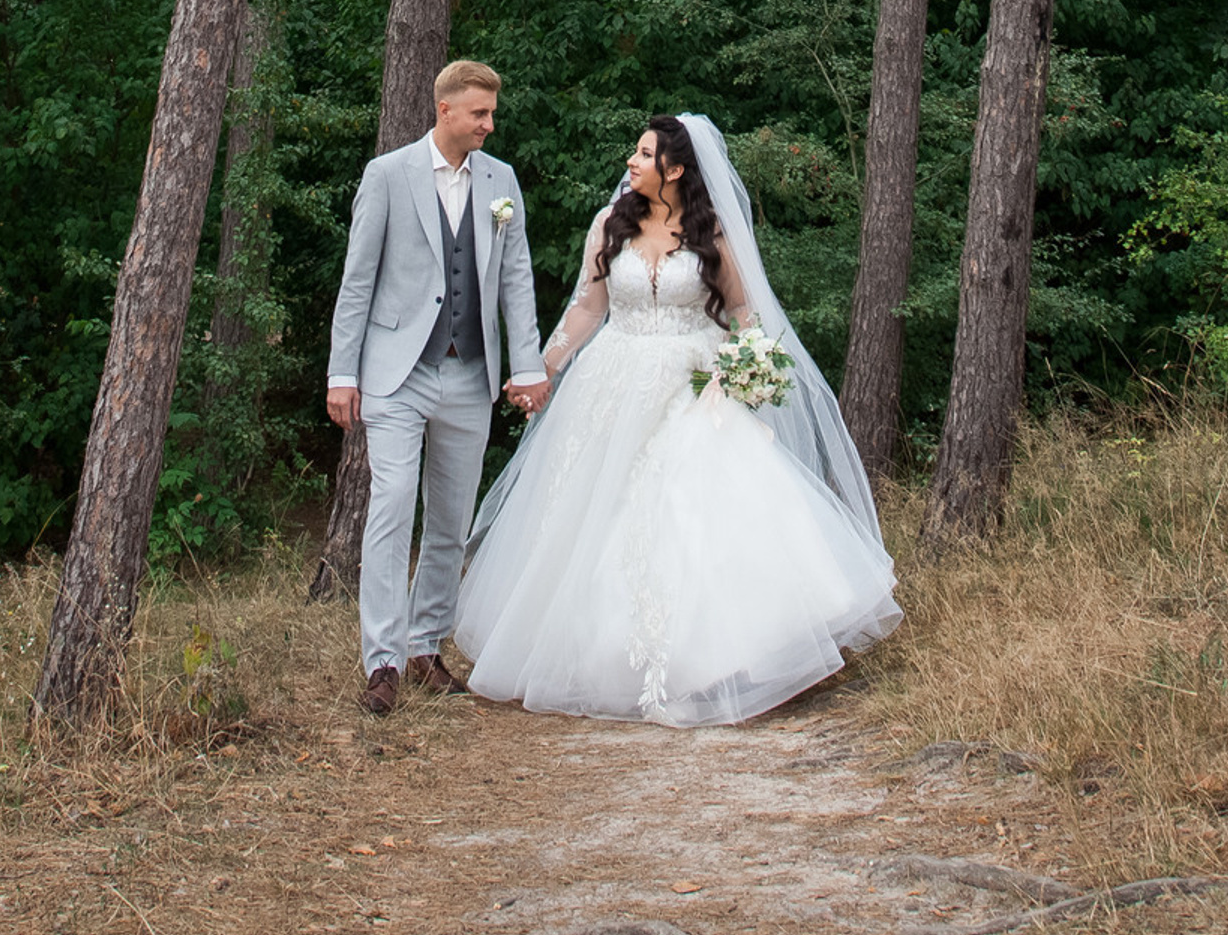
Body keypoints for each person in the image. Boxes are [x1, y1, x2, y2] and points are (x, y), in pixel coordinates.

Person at [453, 111, 899, 726]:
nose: (631, 163)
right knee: (593, 511)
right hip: (614, 380)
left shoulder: (710, 231)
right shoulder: (611, 224)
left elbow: (742, 310)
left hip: (696, 385)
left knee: (696, 505)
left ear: (676, 168)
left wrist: (750, 363)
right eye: (633, 152)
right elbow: (589, 306)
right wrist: (546, 366)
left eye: (643, 153)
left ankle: (731, 657)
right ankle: (599, 658)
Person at [327, 59, 546, 717]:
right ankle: (383, 661)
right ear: (445, 109)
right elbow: (358, 280)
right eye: (479, 113)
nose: (489, 124)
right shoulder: (388, 176)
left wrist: (528, 364)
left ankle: (426, 648)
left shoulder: (500, 180)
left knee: (451, 520)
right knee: (392, 505)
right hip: (396, 372)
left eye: (492, 114)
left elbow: (515, 280)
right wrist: (343, 372)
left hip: (468, 373)